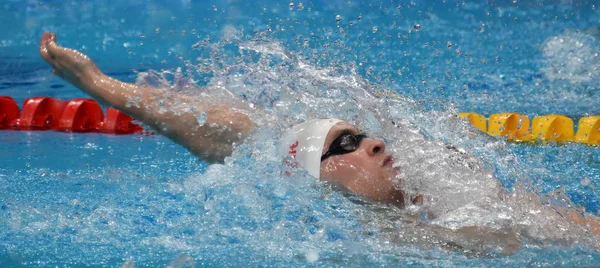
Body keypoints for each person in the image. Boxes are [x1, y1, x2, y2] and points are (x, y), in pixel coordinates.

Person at [39, 32, 600, 253]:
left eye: (364, 134)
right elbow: (222, 139)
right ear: (317, 176)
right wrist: (94, 86)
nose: (376, 144)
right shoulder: (328, 248)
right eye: (347, 144)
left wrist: (101, 86)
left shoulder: (467, 198)